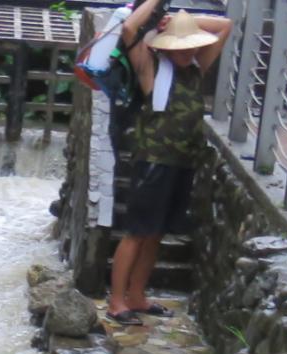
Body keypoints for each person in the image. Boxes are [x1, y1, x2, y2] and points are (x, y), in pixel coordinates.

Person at [106, 6, 234, 325]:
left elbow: (226, 25)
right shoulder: (152, 69)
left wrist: (180, 21)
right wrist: (155, 9)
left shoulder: (196, 68)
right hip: (152, 162)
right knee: (137, 232)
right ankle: (116, 301)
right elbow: (128, 31)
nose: (185, 50)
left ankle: (137, 296)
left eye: (189, 43)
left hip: (182, 163)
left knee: (156, 233)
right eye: (179, 43)